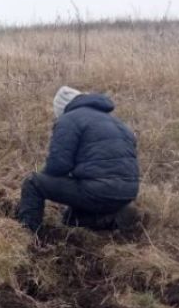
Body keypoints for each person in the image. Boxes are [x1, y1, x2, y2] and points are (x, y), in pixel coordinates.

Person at [15, 86, 140, 233]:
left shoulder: (69, 119)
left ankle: (27, 233)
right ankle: (117, 217)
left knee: (33, 182)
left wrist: (45, 182)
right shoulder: (117, 122)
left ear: (62, 109)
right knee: (69, 218)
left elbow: (58, 166)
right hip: (127, 193)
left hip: (97, 190)